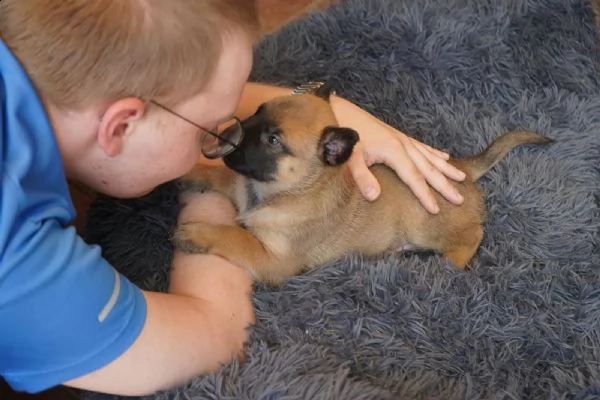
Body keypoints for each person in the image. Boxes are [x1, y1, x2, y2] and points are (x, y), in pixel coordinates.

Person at [0, 0, 466, 396]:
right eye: (213, 127)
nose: (226, 137)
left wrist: (327, 109)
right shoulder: (17, 263)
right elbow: (214, 332)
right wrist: (207, 190)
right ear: (119, 126)